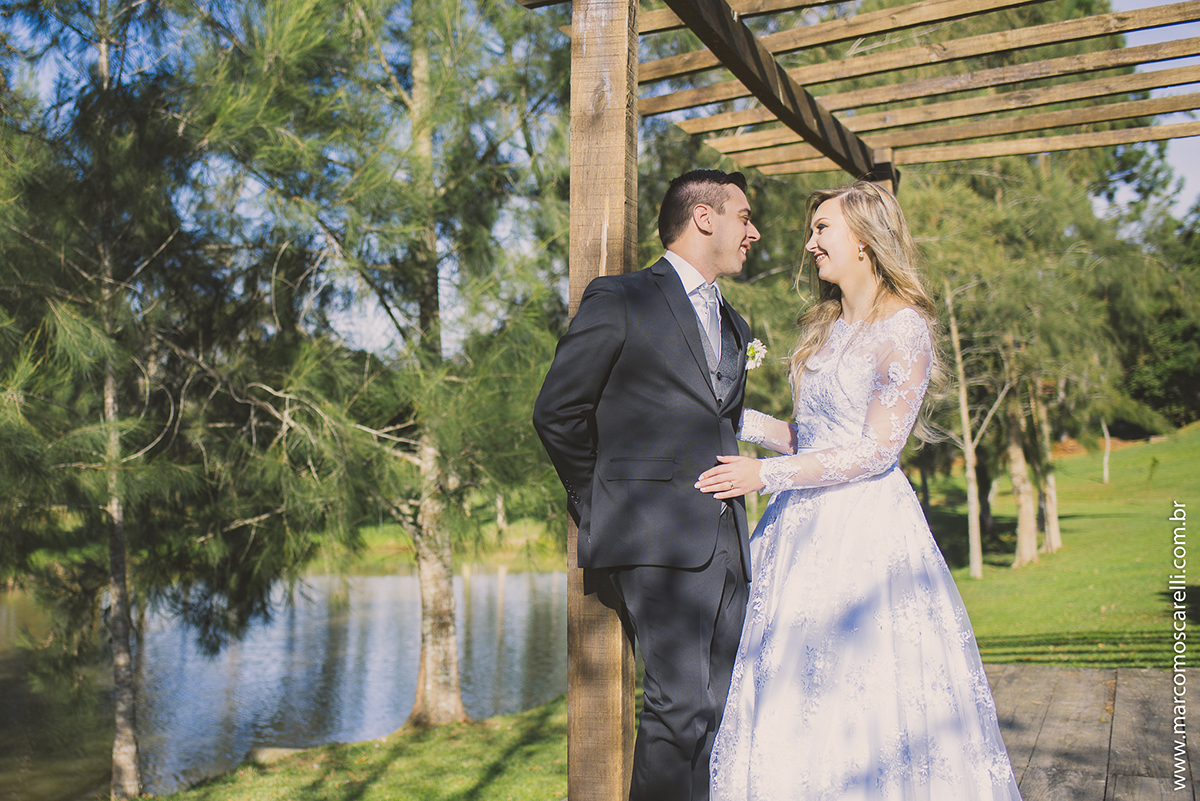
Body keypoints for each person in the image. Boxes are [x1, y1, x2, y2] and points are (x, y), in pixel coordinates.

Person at [697, 181, 1022, 800]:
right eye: (813, 230)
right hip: (798, 531)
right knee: (789, 684)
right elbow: (807, 437)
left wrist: (762, 476)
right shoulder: (823, 327)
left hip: (865, 532)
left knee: (862, 687)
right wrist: (729, 413)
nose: (810, 243)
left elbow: (877, 450)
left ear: (866, 243)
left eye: (823, 229)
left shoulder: (905, 328)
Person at [532, 169, 760, 801]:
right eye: (745, 216)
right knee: (678, 707)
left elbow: (719, 417)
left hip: (727, 542)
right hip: (655, 541)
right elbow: (558, 411)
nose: (755, 231)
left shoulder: (735, 324)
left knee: (715, 711)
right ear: (704, 218)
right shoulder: (623, 298)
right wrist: (602, 500)